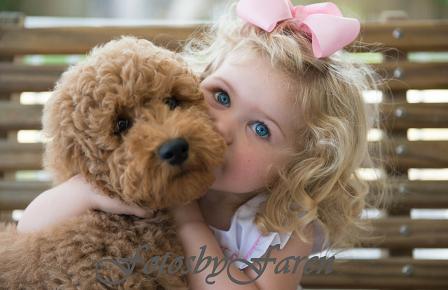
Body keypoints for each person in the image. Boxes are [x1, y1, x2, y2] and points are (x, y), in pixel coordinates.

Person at [17, 0, 388, 289]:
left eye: (260, 129)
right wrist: (86, 193)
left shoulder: (286, 226)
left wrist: (187, 219)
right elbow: (28, 231)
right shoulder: (143, 176)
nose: (223, 128)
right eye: (221, 97)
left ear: (302, 163)